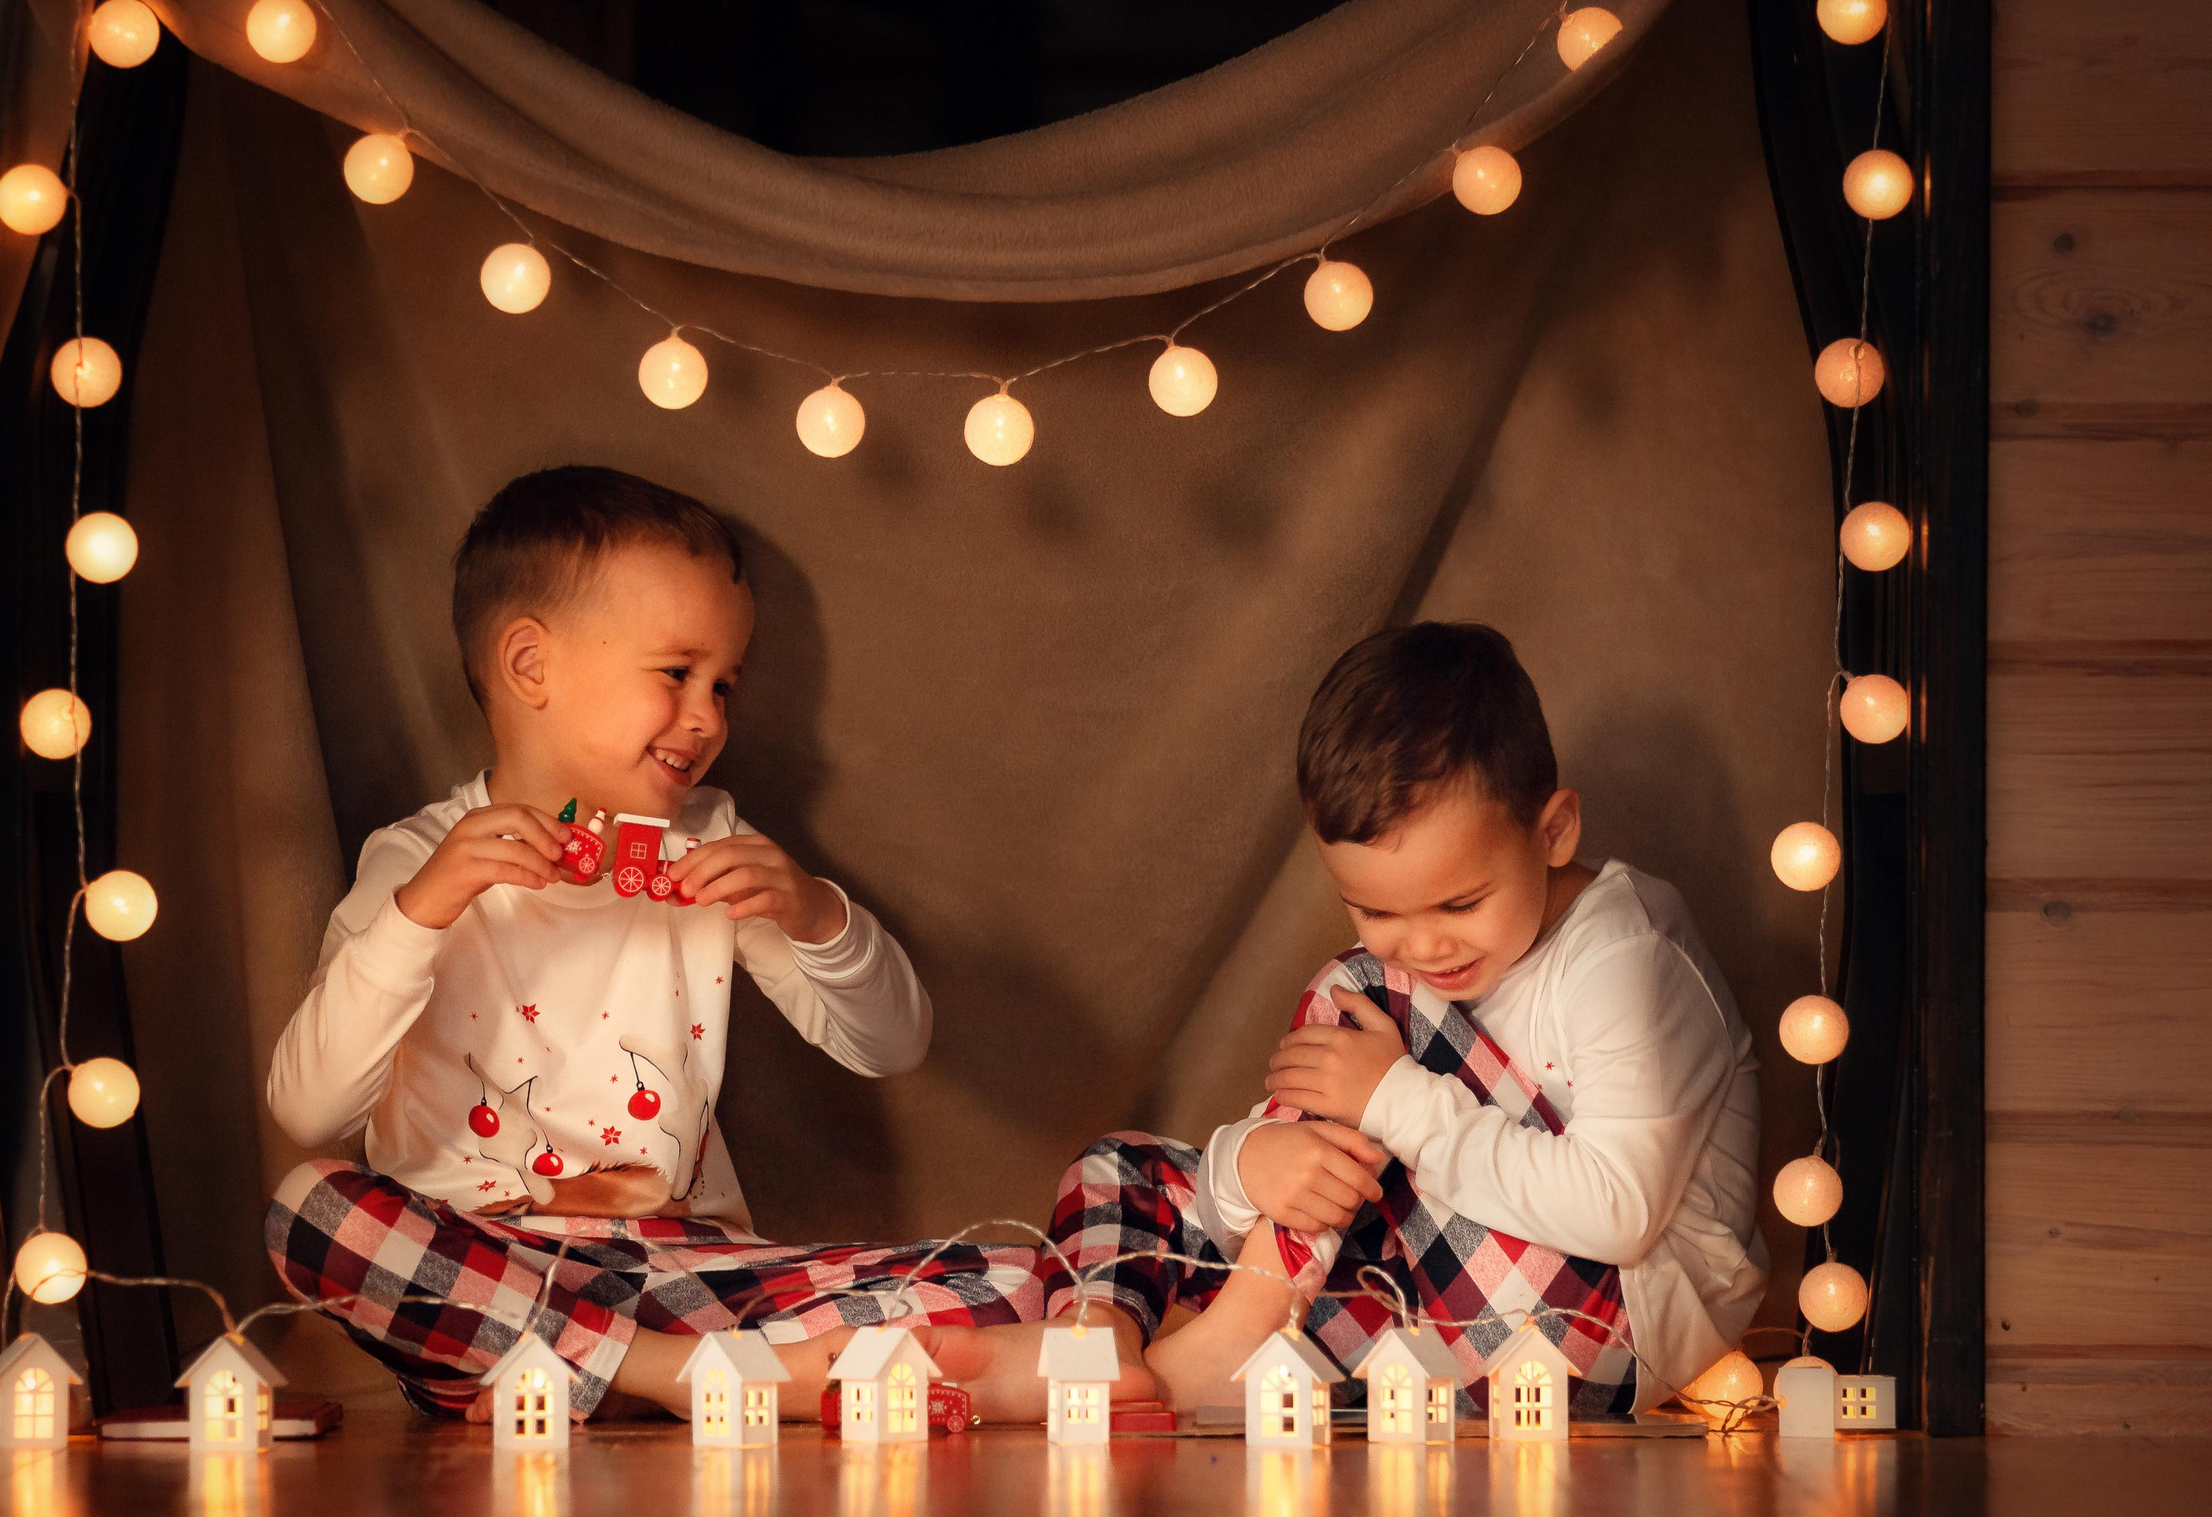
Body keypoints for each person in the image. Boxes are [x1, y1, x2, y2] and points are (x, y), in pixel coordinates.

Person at [265, 466, 1037, 1421]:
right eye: (676, 674)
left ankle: (655, 1374)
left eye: (724, 685)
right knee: (315, 1211)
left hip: (688, 1279)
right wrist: (424, 911)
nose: (709, 717)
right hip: (485, 1280)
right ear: (531, 666)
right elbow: (308, 1109)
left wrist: (812, 913)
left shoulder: (712, 847)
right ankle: (668, 1384)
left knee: (1006, 1277)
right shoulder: (418, 862)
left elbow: (890, 1043)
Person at [930, 622, 1767, 1422]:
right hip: (1430, 1316)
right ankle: (1100, 1348)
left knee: (1362, 987)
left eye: (1461, 901)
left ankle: (1223, 1340)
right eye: (1373, 907)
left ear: (1553, 832)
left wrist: (1396, 1098)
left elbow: (1619, 1208)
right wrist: (1252, 1166)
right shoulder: (1435, 969)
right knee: (1120, 1169)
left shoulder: (1628, 955)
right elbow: (1329, 1145)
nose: (1426, 942)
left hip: (1597, 1336)